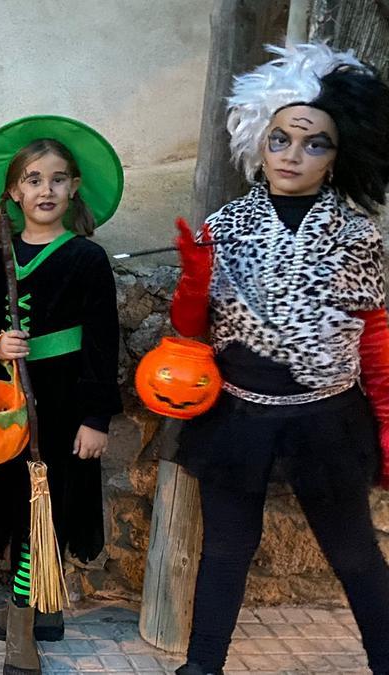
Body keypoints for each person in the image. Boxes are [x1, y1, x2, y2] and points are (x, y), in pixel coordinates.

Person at [169, 44, 389, 675]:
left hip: (326, 416)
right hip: (239, 415)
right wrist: (193, 281)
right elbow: (191, 332)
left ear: (338, 155)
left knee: (354, 553)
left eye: (314, 143)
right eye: (281, 139)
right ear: (258, 142)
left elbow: (373, 336)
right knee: (227, 551)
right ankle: (202, 666)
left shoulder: (358, 235)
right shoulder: (227, 224)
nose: (293, 155)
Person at [0, 117, 124, 675]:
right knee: (22, 509)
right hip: (13, 410)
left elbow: (105, 344)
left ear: (74, 186)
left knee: (48, 510)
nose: (45, 190)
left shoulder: (86, 258)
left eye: (57, 179)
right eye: (33, 179)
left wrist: (97, 416)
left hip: (66, 406)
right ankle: (42, 610)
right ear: (14, 192)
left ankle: (23, 631)